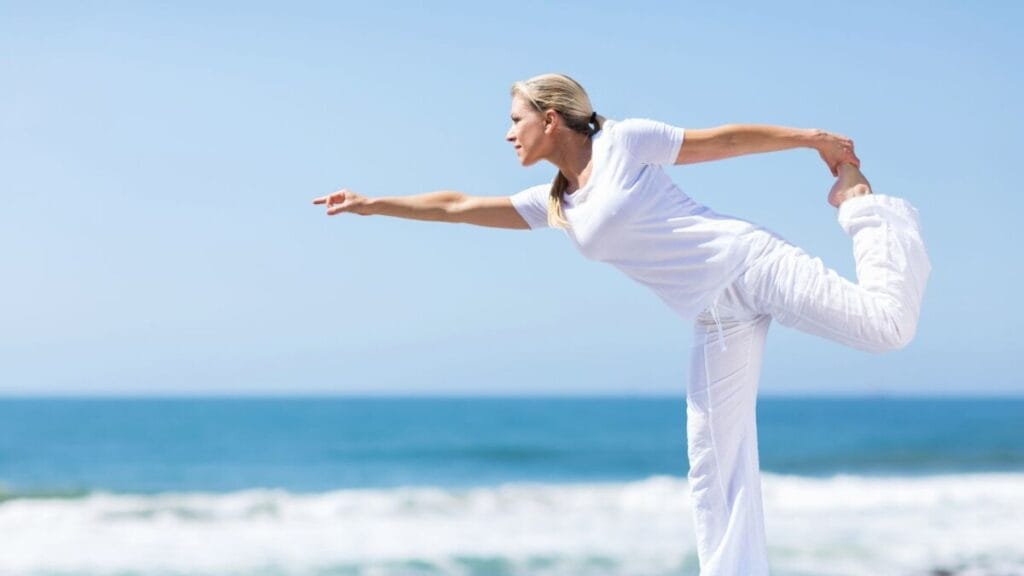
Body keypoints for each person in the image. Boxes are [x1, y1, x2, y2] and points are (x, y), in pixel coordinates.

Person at [312, 73, 931, 575]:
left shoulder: (623, 143)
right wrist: (374, 204)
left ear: (550, 119)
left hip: (749, 263)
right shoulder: (556, 202)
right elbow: (459, 206)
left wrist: (812, 140)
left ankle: (863, 205)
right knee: (713, 465)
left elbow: (722, 142)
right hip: (715, 317)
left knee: (886, 327)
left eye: (514, 120)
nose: (507, 134)